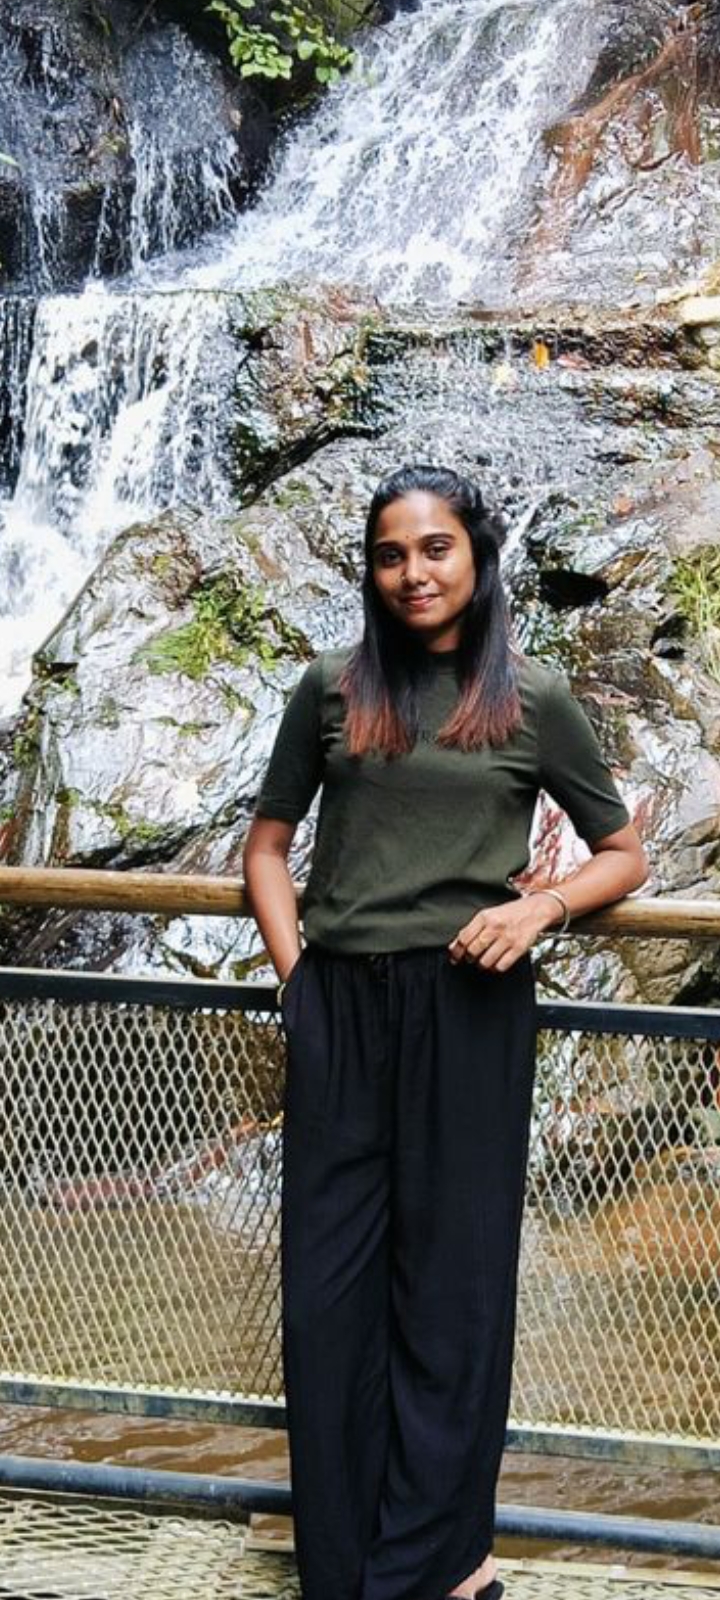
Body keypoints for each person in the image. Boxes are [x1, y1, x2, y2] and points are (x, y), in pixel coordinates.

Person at [242, 463, 647, 1600]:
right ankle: (344, 1569)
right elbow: (267, 846)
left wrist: (539, 907)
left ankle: (442, 1568)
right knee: (328, 1298)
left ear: (477, 556)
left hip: (471, 1008)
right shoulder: (330, 687)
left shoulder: (534, 698)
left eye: (435, 548)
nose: (412, 573)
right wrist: (298, 981)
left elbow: (623, 854)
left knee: (453, 1295)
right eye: (390, 554)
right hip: (341, 1009)